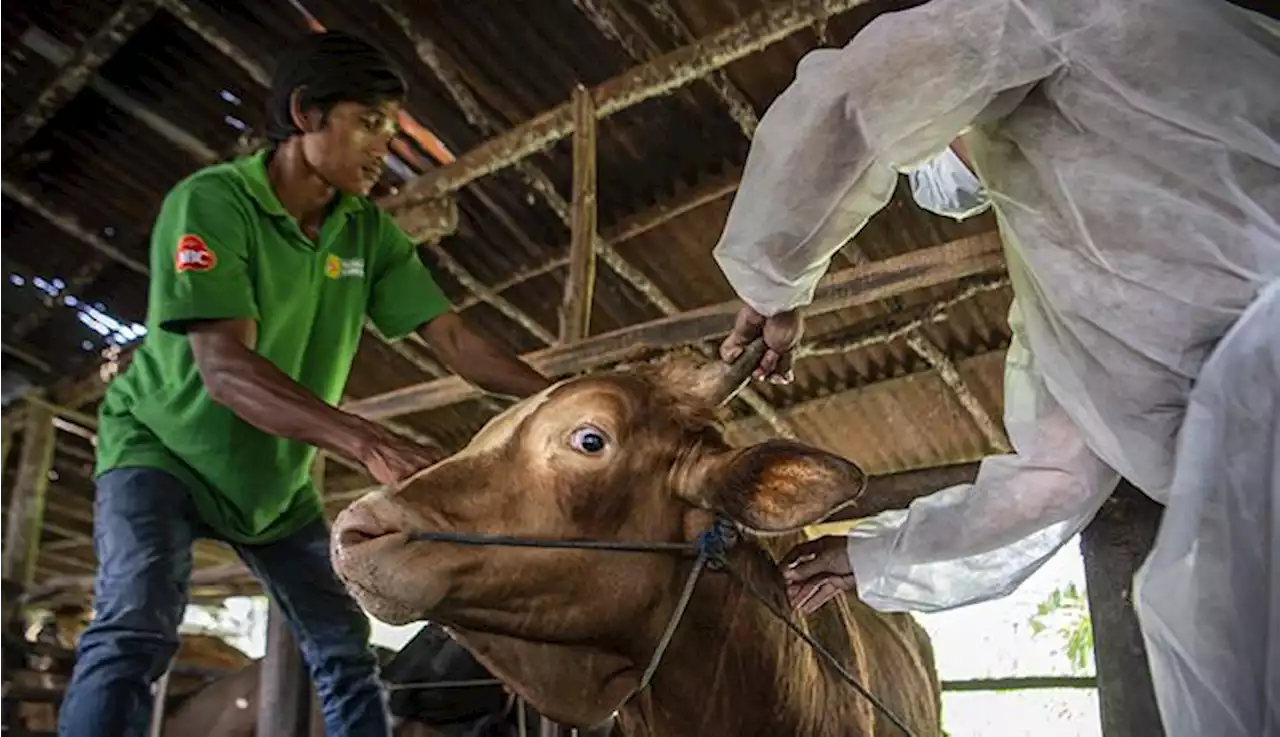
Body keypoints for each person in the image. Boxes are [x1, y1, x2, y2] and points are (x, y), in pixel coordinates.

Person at [711, 1, 1279, 735]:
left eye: (939, 143)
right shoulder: (1064, 271)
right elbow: (1056, 475)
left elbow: (856, 97)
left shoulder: (1061, 13)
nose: (957, 164)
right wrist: (880, 558)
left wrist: (771, 282)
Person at [57, 30, 552, 737]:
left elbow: (455, 339)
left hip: (270, 481)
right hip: (160, 448)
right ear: (305, 113)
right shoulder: (212, 203)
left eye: (392, 126)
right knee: (137, 625)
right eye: (369, 122)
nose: (385, 144)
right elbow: (225, 370)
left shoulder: (367, 233)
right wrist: (365, 440)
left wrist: (558, 398)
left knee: (344, 648)